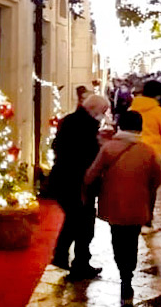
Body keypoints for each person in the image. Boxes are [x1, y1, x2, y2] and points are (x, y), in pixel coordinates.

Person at [84, 111, 161, 305]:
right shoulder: (147, 150)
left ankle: (123, 273)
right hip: (137, 203)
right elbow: (158, 177)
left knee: (117, 238)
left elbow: (90, 175)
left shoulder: (109, 148)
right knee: (132, 239)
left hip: (114, 203)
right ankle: (128, 275)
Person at [48, 94, 109, 279]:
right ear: (95, 110)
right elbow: (87, 155)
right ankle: (77, 262)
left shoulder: (71, 120)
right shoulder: (86, 126)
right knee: (82, 222)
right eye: (103, 111)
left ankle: (66, 257)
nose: (104, 115)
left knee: (76, 219)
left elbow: (57, 145)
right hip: (77, 181)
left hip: (64, 178)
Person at [129, 80, 161, 166]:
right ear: (158, 96)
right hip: (155, 152)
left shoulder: (131, 109)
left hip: (134, 150)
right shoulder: (160, 112)